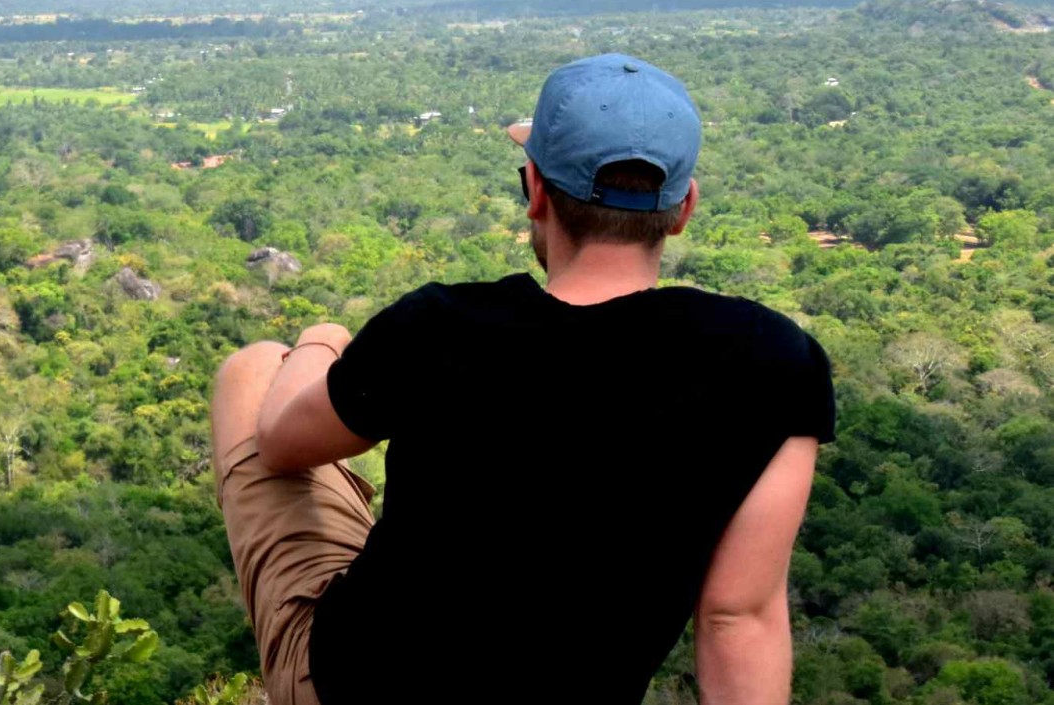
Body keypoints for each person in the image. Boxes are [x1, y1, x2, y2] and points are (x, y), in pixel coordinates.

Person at [209, 54, 836, 704]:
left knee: (253, 368)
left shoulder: (440, 327)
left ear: (535, 189)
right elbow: (738, 617)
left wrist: (321, 340)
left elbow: (279, 443)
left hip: (352, 685)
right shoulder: (775, 363)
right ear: (683, 209)